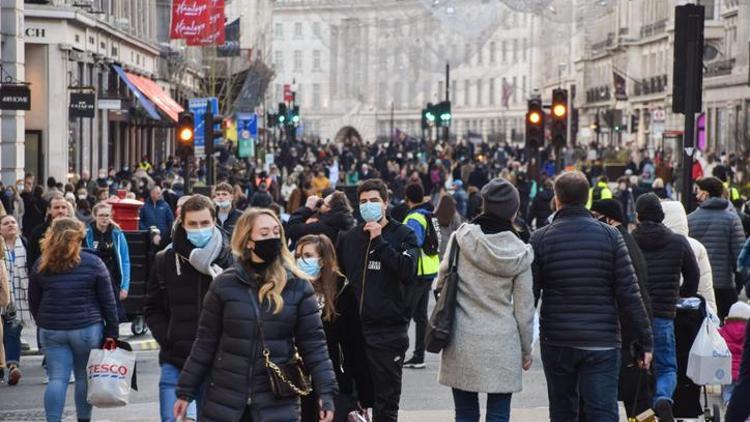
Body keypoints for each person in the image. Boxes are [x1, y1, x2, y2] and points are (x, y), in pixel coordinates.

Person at [174, 208, 337, 422]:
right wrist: (186, 391)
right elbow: (205, 343)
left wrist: (326, 392)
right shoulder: (224, 284)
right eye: (264, 233)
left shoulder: (297, 286)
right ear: (248, 240)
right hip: (226, 402)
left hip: (276, 400)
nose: (272, 238)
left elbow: (314, 344)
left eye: (276, 232)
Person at [530, 171, 653, 422]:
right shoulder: (611, 236)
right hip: (602, 340)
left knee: (563, 410)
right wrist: (646, 339)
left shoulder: (541, 238)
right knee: (602, 410)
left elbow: (528, 296)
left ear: (557, 199)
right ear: (587, 199)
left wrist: (522, 343)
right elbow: (630, 292)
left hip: (558, 338)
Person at [438, 178, 534, 422]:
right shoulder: (521, 252)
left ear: (484, 206)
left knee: (465, 413)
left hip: (461, 337)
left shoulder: (461, 238)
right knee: (499, 414)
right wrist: (525, 350)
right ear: (514, 210)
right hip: (503, 342)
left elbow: (440, 283)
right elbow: (524, 309)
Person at [336, 179, 419, 422]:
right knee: (352, 401)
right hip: (354, 332)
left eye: (374, 201)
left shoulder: (404, 234)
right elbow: (340, 281)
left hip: (388, 331)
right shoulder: (349, 238)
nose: (368, 205)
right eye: (363, 202)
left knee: (386, 403)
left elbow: (407, 270)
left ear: (385, 203)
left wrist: (379, 241)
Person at [144, 194, 233, 422]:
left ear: (214, 221)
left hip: (219, 363)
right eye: (192, 224)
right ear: (182, 224)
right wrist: (169, 337)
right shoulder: (165, 260)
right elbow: (152, 307)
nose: (199, 229)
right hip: (177, 358)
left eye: (204, 223)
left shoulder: (231, 260)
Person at [28, 217, 118, 422]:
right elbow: (108, 302)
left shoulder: (41, 264)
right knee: (83, 378)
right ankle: (83, 419)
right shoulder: (94, 262)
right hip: (87, 328)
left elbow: (33, 299)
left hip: (52, 329)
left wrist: (42, 321)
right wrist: (112, 331)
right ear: (78, 237)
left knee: (57, 379)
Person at [631, 193, 700, 421]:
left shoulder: (629, 241)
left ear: (638, 215)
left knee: (637, 366)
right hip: (664, 313)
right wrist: (682, 294)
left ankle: (643, 412)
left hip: (635, 314)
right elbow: (693, 276)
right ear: (661, 216)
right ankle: (663, 398)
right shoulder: (678, 242)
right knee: (667, 366)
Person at [296, 234, 373, 422]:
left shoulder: (342, 291)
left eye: (307, 255)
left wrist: (365, 394)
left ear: (322, 260)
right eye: (298, 256)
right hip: (297, 380)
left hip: (336, 381)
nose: (301, 261)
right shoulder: (291, 289)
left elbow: (355, 345)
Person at [589, 199, 653, 418]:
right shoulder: (628, 241)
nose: (593, 220)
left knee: (629, 396)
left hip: (625, 333)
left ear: (609, 218)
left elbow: (629, 293)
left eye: (595, 215)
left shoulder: (617, 242)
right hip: (633, 329)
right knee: (636, 397)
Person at [689, 177, 746, 320]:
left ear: (706, 194)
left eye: (699, 191)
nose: (696, 195)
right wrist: (739, 284)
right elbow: (740, 256)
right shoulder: (732, 219)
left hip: (699, 285)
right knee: (727, 329)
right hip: (724, 284)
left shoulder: (690, 219)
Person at [402, 183, 440, 369]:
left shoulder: (414, 217)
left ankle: (400, 353)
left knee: (406, 313)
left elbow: (413, 242)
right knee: (421, 315)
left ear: (407, 198)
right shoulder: (428, 214)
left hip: (417, 270)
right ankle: (419, 355)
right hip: (429, 268)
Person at [661, 200, 718, 316]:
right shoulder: (697, 246)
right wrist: (712, 314)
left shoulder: (658, 244)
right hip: (690, 313)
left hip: (662, 310)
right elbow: (705, 287)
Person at [84, 203, 131, 325]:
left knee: (112, 316)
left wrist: (125, 287)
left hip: (113, 279)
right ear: (95, 216)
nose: (104, 218)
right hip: (93, 279)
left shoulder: (117, 234)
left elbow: (125, 261)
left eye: (107, 215)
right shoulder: (87, 233)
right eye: (101, 215)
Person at [1, 215, 32, 386]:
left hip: (20, 298)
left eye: (13, 222)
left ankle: (13, 366)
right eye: (6, 223)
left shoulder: (25, 244)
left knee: (12, 332)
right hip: (1, 296)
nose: (11, 225)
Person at [287, 191, 355, 247]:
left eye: (323, 203)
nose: (320, 205)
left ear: (329, 208)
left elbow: (292, 228)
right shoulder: (345, 223)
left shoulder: (325, 227)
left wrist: (308, 208)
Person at [27, 193, 72, 272]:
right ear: (49, 210)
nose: (60, 211)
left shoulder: (75, 231)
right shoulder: (38, 232)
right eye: (56, 208)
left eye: (63, 207)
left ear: (68, 210)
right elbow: (32, 260)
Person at [719, 301, 750, 406]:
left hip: (727, 370)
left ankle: (728, 403)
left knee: (728, 390)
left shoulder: (722, 331)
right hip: (744, 371)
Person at [435, 195, 462, 260]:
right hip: (450, 243)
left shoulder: (436, 214)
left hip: (437, 241)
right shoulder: (455, 215)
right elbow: (459, 230)